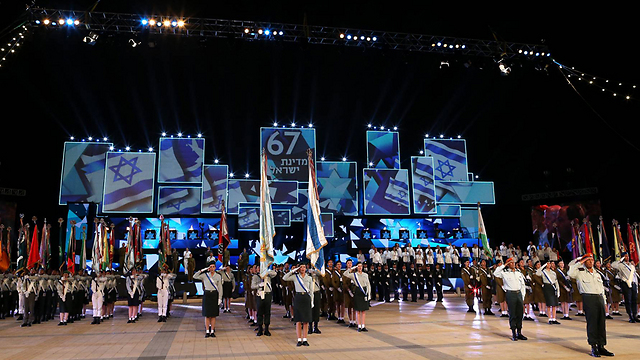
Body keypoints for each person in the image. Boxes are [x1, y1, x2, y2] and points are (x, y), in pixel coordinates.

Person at [568, 254, 614, 357]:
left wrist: (604, 302)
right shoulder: (580, 272)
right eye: (588, 260)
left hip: (599, 298)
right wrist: (580, 260)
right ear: (584, 261)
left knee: (601, 323)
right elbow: (570, 272)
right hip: (589, 298)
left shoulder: (597, 273)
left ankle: (601, 346)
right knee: (592, 323)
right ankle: (593, 347)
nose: (590, 262)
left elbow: (601, 288)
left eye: (592, 260)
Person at [494, 257, 527, 341]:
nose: (513, 264)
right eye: (511, 263)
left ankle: (519, 332)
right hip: (510, 294)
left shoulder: (518, 272)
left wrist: (522, 296)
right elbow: (496, 273)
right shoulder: (504, 273)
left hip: (518, 293)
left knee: (520, 314)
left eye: (513, 263)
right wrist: (504, 265)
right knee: (512, 314)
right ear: (508, 264)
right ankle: (513, 333)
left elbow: (522, 284)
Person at [282, 263, 313, 347]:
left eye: (304, 267)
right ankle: (299, 339)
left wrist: (312, 302)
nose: (302, 269)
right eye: (301, 267)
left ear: (306, 268)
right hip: (298, 297)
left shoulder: (309, 278)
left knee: (306, 320)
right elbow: (284, 278)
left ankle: (305, 339)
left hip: (306, 298)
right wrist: (292, 271)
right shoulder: (295, 277)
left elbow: (311, 291)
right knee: (298, 320)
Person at [194, 261, 223, 338]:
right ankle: (207, 331)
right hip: (207, 295)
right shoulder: (205, 275)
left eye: (213, 267)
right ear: (208, 268)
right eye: (210, 267)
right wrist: (202, 270)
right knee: (207, 315)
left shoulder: (218, 276)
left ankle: (212, 331)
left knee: (213, 315)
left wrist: (220, 298)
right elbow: (195, 276)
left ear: (215, 268)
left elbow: (220, 288)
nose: (212, 268)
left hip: (214, 295)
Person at [343, 262, 371, 332]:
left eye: (361, 266)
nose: (360, 268)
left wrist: (369, 294)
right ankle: (359, 326)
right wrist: (352, 268)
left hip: (364, 291)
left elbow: (368, 285)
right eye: (358, 266)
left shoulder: (365, 275)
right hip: (358, 291)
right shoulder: (354, 275)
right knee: (358, 310)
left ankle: (363, 325)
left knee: (363, 310)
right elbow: (345, 274)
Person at [611, 252, 637, 323]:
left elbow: (634, 276)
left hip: (633, 283)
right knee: (628, 300)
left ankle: (635, 315)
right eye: (625, 256)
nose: (627, 257)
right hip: (626, 283)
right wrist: (620, 260)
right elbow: (613, 265)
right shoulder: (621, 265)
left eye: (627, 256)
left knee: (634, 300)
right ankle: (630, 316)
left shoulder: (631, 265)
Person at [252, 262, 277, 336]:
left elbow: (275, 273)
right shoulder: (256, 277)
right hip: (260, 295)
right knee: (259, 312)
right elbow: (252, 286)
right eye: (259, 268)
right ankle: (260, 329)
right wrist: (259, 285)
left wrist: (267, 271)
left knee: (267, 312)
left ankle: (266, 329)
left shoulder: (268, 275)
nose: (260, 269)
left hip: (267, 294)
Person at [343, 259, 356, 327]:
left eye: (350, 263)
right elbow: (344, 282)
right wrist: (349, 290)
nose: (349, 264)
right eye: (348, 263)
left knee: (354, 307)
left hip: (354, 291)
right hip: (347, 292)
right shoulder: (345, 272)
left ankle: (354, 321)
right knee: (349, 307)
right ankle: (350, 321)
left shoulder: (354, 272)